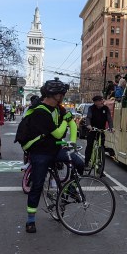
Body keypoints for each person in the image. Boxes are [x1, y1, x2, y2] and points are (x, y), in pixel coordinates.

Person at [23, 79, 83, 234]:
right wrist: (65, 120)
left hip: (55, 148)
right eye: (62, 94)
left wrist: (73, 144)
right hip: (40, 151)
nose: (63, 97)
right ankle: (30, 220)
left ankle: (70, 189)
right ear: (55, 95)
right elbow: (57, 132)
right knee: (37, 184)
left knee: (79, 163)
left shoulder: (58, 108)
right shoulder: (40, 111)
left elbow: (73, 125)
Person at [84, 95, 113, 169]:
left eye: (102, 100)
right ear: (95, 102)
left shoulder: (105, 108)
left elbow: (109, 118)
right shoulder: (91, 108)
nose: (102, 102)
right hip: (92, 129)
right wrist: (89, 125)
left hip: (101, 130)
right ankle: (86, 163)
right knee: (89, 145)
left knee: (101, 146)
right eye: (100, 101)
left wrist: (111, 127)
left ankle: (100, 167)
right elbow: (88, 117)